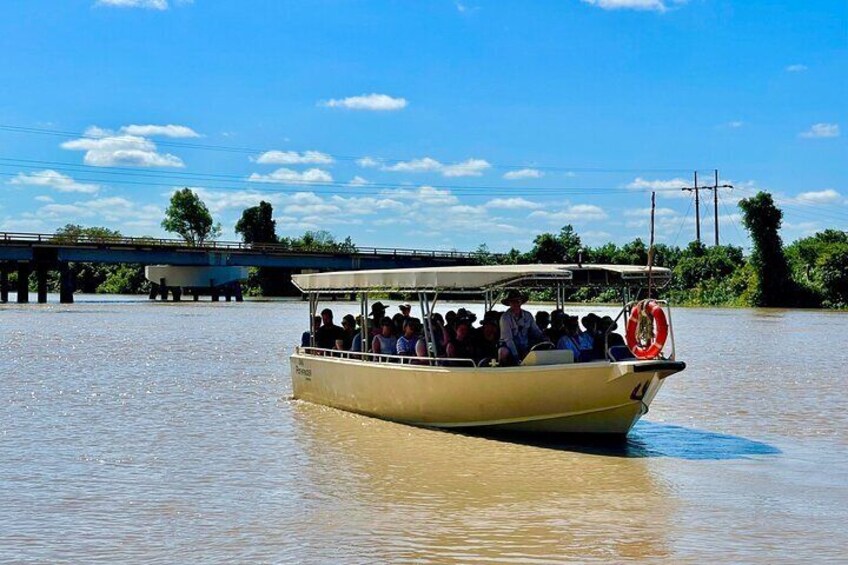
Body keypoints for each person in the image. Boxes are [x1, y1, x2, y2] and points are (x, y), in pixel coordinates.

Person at [498, 290, 545, 365]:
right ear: (509, 303)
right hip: (509, 347)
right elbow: (508, 340)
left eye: (518, 301)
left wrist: (544, 338)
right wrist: (516, 356)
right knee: (503, 351)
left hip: (525, 346)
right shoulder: (505, 318)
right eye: (513, 301)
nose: (515, 303)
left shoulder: (528, 315)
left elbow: (536, 331)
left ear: (521, 302)